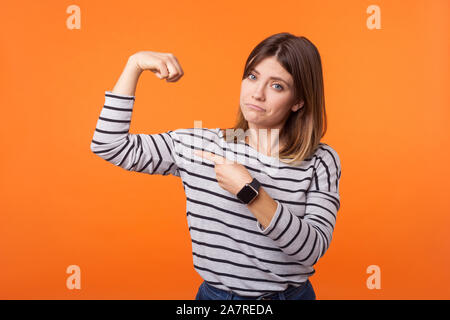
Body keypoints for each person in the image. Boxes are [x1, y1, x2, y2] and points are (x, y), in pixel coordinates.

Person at [90, 32, 341, 300]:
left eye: (277, 86)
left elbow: (311, 249)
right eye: (252, 77)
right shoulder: (202, 145)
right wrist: (134, 65)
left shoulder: (320, 160)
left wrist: (250, 192)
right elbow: (109, 145)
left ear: (299, 101)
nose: (257, 93)